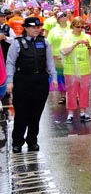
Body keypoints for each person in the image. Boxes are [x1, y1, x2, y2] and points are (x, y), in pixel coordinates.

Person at [5, 17, 58, 153]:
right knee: (22, 113)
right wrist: (10, 81)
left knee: (36, 113)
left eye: (38, 27)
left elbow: (50, 61)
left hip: (40, 80)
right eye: (33, 27)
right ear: (26, 29)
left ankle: (32, 140)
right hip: (22, 80)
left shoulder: (44, 42)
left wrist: (54, 77)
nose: (36, 30)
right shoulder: (17, 44)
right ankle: (17, 141)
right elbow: (10, 63)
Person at [60, 17, 91, 124]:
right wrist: (76, 43)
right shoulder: (67, 37)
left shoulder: (87, 37)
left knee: (84, 91)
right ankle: (70, 113)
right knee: (71, 91)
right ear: (72, 26)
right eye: (78, 27)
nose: (80, 29)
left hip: (85, 68)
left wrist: (89, 46)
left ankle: (83, 112)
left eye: (82, 27)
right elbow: (64, 51)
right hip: (71, 69)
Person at [46, 12, 70, 104]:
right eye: (61, 16)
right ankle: (63, 95)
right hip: (57, 57)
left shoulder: (71, 29)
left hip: (69, 56)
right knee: (60, 77)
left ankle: (74, 95)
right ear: (58, 19)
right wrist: (51, 56)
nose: (63, 18)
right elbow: (49, 43)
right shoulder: (53, 31)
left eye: (65, 15)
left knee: (71, 76)